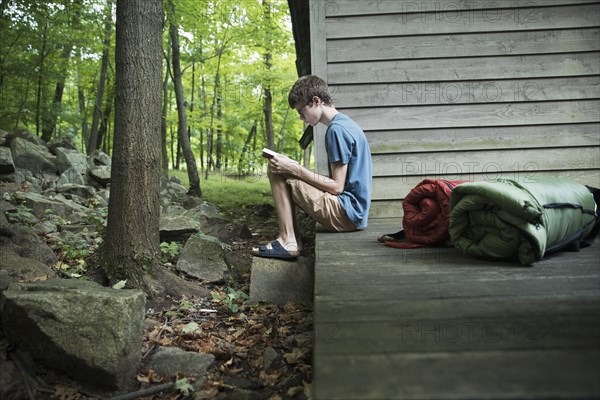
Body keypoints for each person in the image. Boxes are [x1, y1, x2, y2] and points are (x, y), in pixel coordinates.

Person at [251, 75, 372, 260]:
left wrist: (294, 168)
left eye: (301, 112)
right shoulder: (346, 123)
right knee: (282, 165)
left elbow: (337, 187)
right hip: (354, 213)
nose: (302, 119)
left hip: (346, 214)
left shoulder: (336, 131)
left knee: (276, 167)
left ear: (316, 101)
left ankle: (288, 241)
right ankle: (292, 239)